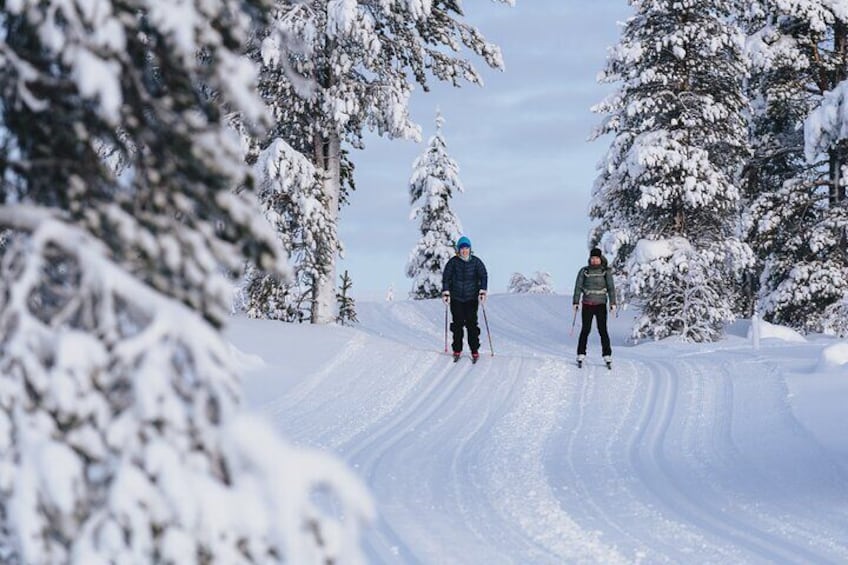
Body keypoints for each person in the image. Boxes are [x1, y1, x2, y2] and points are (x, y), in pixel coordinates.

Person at [442, 236, 488, 361]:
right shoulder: (453, 262)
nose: (464, 251)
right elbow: (446, 277)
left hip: (471, 299)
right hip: (456, 298)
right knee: (457, 325)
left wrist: (482, 291)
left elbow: (483, 275)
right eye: (462, 248)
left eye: (466, 248)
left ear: (470, 249)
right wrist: (446, 292)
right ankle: (457, 349)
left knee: (471, 324)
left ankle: (474, 350)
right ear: (458, 250)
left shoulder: (476, 262)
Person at [572, 247, 616, 366]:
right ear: (590, 259)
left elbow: (611, 288)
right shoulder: (584, 271)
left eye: (596, 258)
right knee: (585, 329)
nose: (594, 261)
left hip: (600, 304)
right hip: (587, 304)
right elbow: (578, 287)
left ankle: (607, 355)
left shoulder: (605, 272)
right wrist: (575, 302)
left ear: (600, 259)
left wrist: (613, 303)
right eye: (592, 258)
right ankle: (581, 353)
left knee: (602, 330)